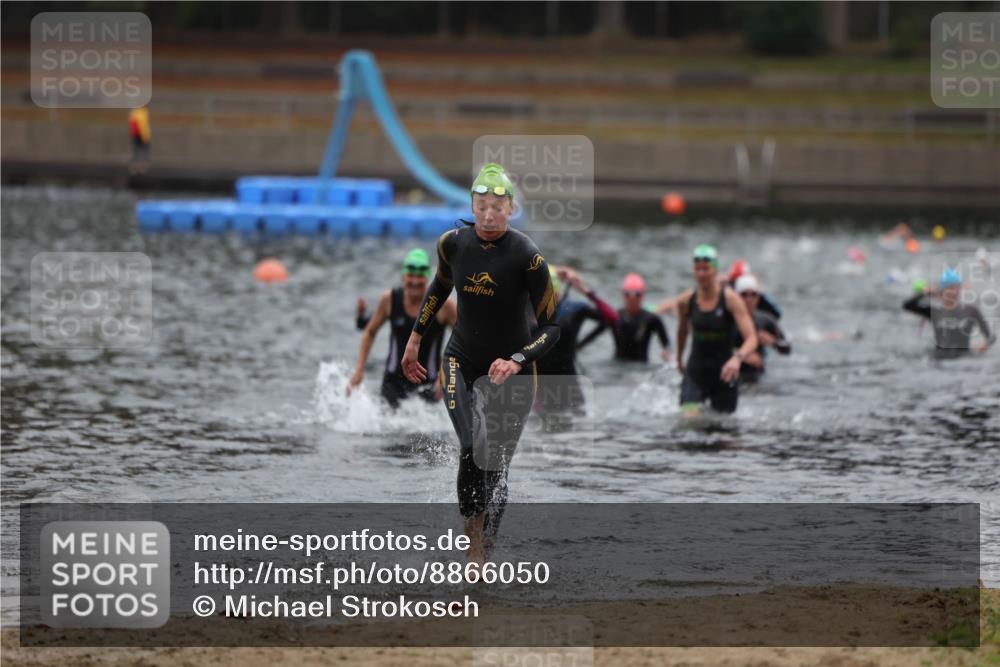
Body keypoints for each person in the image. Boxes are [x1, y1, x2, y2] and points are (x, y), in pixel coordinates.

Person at [401, 163, 560, 565]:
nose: (489, 216)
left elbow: (552, 328)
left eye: (497, 208)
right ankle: (473, 547)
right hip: (461, 359)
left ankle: (488, 544)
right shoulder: (452, 244)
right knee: (473, 446)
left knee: (497, 466)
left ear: (511, 209)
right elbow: (439, 287)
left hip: (515, 373)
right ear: (472, 206)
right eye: (482, 206)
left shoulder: (528, 257)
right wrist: (415, 339)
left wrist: (517, 360)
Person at [349, 249, 456, 408]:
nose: (415, 282)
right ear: (403, 276)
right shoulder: (390, 299)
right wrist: (359, 370)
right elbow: (370, 332)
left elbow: (463, 339)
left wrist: (447, 375)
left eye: (420, 276)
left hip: (429, 386)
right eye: (411, 275)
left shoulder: (444, 305)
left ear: (428, 278)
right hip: (392, 383)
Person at [674, 245, 758, 416]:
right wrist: (679, 358)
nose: (701, 274)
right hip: (695, 372)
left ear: (715, 270)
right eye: (697, 269)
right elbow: (682, 331)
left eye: (706, 269)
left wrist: (737, 359)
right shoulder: (686, 300)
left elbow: (752, 338)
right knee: (689, 421)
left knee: (721, 427)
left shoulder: (731, 299)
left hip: (725, 374)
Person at [533, 265, 619, 412]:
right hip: (540, 391)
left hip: (568, 386)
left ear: (557, 290)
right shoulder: (530, 311)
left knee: (576, 422)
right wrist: (557, 269)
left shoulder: (574, 309)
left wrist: (584, 289)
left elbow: (613, 318)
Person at [577, 273, 671, 362]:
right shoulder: (615, 317)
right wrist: (576, 348)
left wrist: (666, 352)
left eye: (637, 295)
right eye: (628, 294)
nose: (632, 299)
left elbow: (666, 344)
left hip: (641, 367)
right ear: (623, 295)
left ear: (643, 296)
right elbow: (593, 335)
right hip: (618, 365)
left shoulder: (652, 319)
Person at [903, 268, 994, 358]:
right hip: (939, 360)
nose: (954, 291)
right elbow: (907, 305)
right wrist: (925, 293)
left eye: (957, 287)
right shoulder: (934, 311)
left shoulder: (971, 311)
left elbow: (991, 337)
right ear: (942, 291)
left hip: (963, 359)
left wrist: (984, 346)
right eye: (950, 288)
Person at [732, 274, 791, 383]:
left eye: (753, 295)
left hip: (758, 373)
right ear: (736, 297)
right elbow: (712, 349)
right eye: (744, 295)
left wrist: (773, 342)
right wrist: (741, 355)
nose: (749, 299)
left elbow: (787, 349)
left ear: (758, 297)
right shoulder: (728, 321)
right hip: (732, 373)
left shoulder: (765, 320)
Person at [128, 105, 151, 175]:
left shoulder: (143, 112)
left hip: (143, 136)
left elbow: (145, 125)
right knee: (137, 152)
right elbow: (133, 125)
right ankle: (137, 167)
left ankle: (141, 167)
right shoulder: (137, 113)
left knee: (140, 152)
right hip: (139, 135)